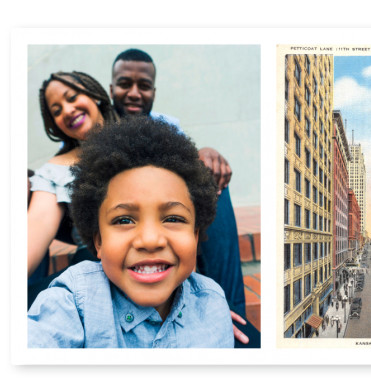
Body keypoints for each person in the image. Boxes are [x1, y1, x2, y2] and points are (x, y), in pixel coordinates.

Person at [28, 116, 234, 348]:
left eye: (173, 218)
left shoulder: (212, 304)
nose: (150, 240)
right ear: (99, 241)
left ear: (195, 236)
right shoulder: (74, 300)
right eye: (124, 219)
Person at [110, 49, 257, 346]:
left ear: (154, 90)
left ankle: (231, 312)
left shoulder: (167, 126)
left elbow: (188, 164)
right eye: (125, 84)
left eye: (145, 85)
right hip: (128, 226)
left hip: (169, 219)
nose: (135, 93)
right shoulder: (100, 127)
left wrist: (205, 154)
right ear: (112, 88)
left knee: (211, 180)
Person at [28, 71, 119, 281]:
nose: (67, 111)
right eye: (57, 111)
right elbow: (35, 228)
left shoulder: (144, 139)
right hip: (92, 274)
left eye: (72, 97)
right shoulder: (54, 171)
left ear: (93, 94)